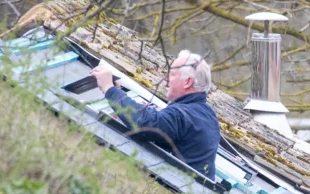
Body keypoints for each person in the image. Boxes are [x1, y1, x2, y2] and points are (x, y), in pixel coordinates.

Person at [91, 50, 221, 179]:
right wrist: (119, 93)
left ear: (187, 82)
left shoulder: (182, 116)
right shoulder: (207, 115)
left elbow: (145, 122)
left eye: (172, 75)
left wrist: (110, 90)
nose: (166, 80)